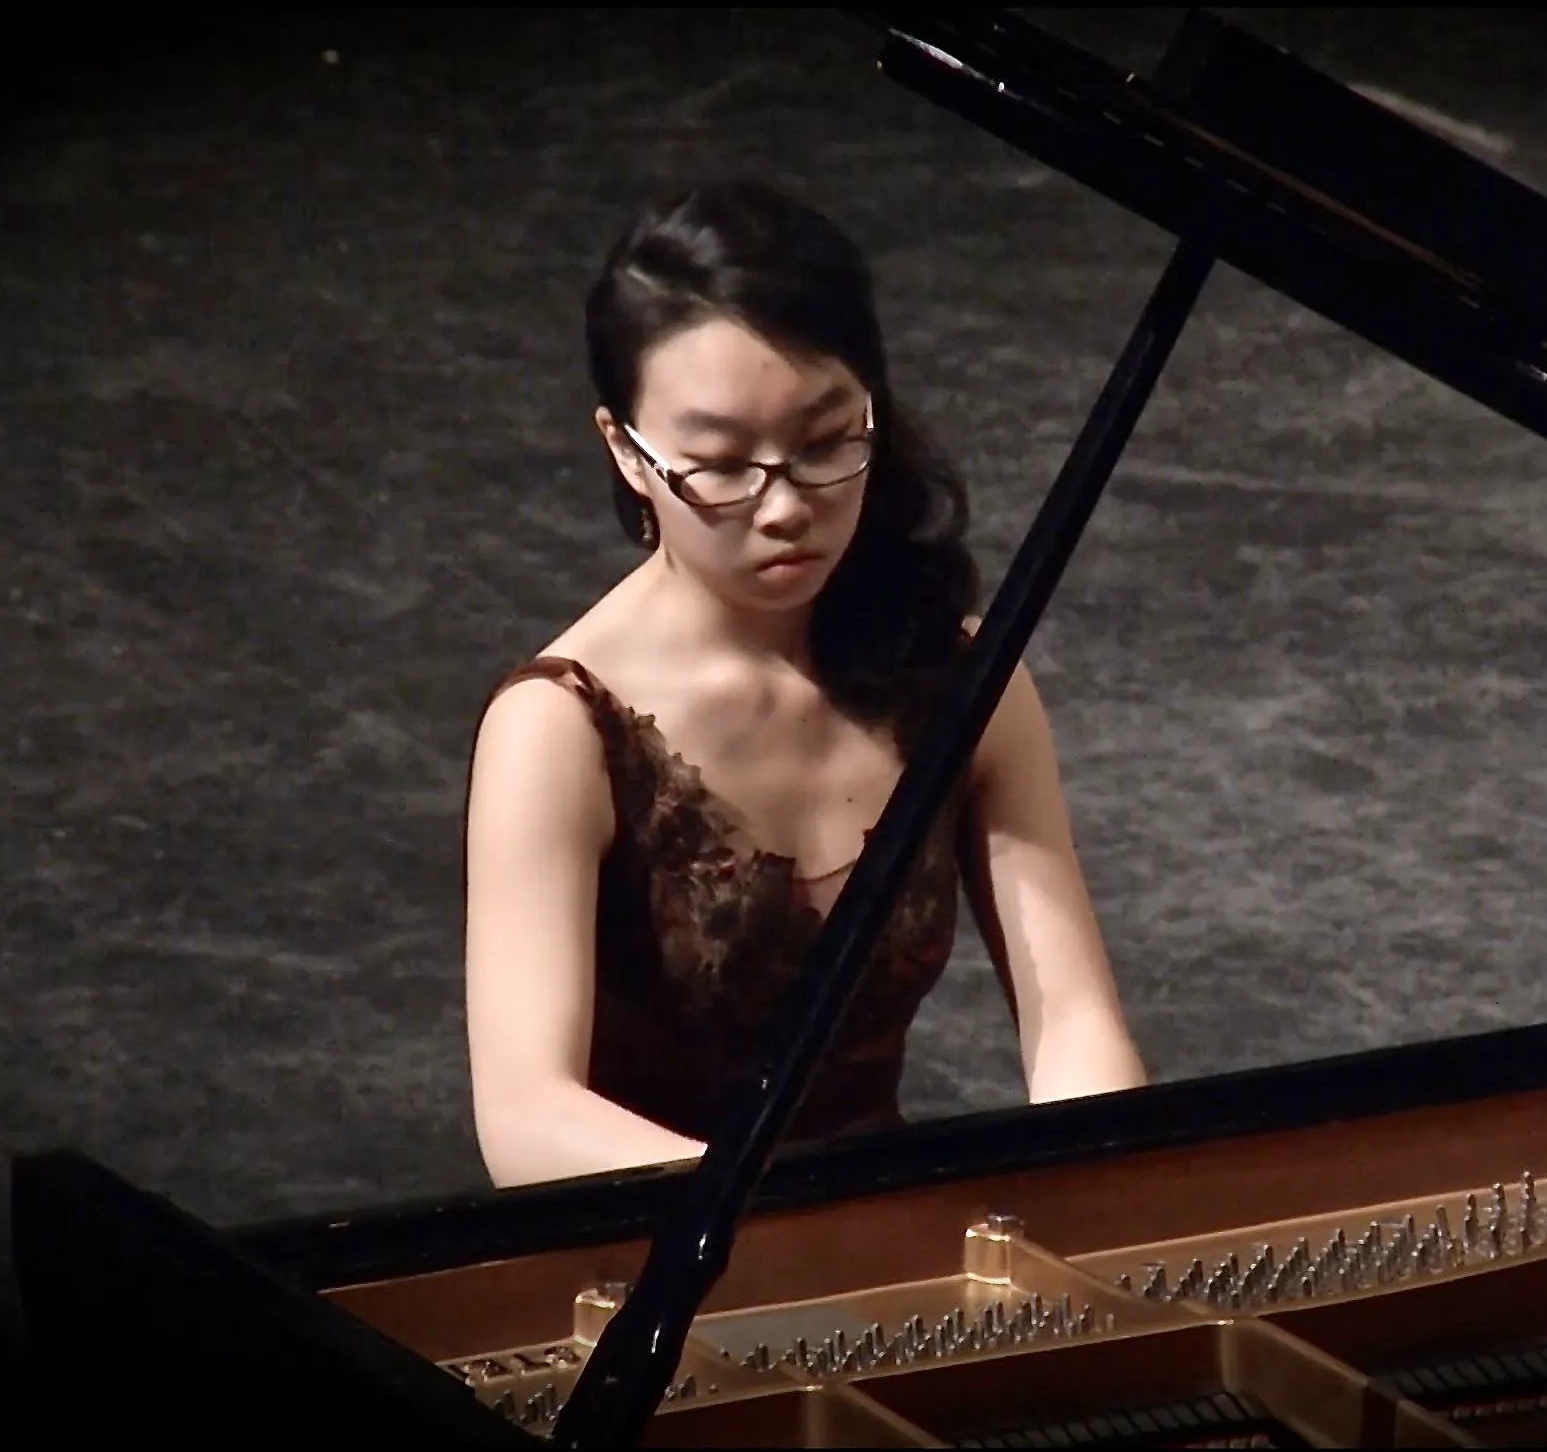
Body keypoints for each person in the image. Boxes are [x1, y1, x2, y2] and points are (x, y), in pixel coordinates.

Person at [462, 179, 1149, 1189]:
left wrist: (1109, 1199)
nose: (783, 507)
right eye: (720, 463)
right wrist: (803, 1227)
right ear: (627, 453)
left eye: (825, 443)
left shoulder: (957, 677)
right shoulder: (556, 730)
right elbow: (528, 1121)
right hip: (659, 1245)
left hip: (894, 1243)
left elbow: (1075, 1024)